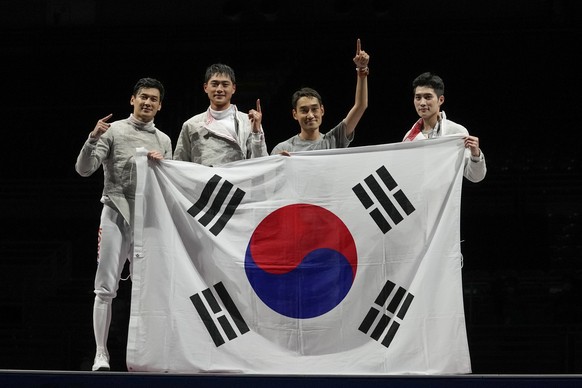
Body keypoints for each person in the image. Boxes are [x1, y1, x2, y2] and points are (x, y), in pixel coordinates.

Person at [75, 77, 173, 371]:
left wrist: (162, 165)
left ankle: (150, 354)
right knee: (105, 288)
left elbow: (171, 185)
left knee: (154, 290)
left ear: (159, 105)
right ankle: (101, 353)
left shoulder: (164, 141)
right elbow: (84, 169)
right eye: (143, 97)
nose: (148, 103)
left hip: (149, 221)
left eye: (153, 99)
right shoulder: (114, 131)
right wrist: (92, 138)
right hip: (116, 213)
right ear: (133, 99)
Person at [270, 38, 369, 155]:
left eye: (314, 109)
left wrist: (361, 70)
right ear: (294, 114)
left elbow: (361, 106)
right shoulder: (282, 149)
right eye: (304, 110)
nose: (310, 115)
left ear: (322, 110)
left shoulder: (333, 141)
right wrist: (281, 163)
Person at [173, 63, 268, 166]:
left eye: (225, 84)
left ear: (233, 88)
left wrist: (256, 132)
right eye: (214, 84)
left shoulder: (248, 121)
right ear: (205, 87)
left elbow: (260, 164)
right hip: (206, 181)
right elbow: (179, 166)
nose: (219, 89)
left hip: (238, 181)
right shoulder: (191, 125)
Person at [403, 72, 486, 182]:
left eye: (428, 97)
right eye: (418, 98)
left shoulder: (456, 132)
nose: (422, 103)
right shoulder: (409, 137)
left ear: (440, 100)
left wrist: (475, 155)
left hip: (444, 198)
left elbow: (475, 177)